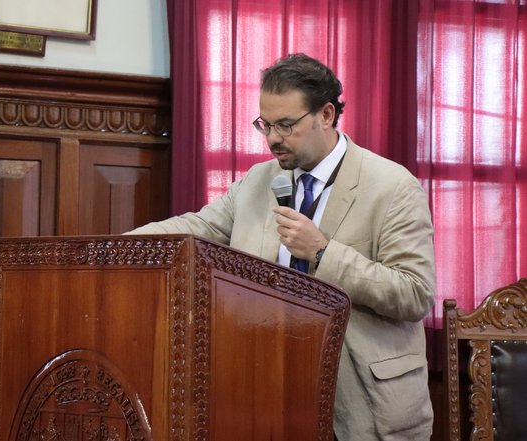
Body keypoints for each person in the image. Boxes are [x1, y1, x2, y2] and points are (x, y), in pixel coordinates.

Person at [129, 53, 435, 441]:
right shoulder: (260, 180)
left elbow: (414, 293)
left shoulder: (392, 187)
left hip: (361, 405)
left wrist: (324, 253)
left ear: (326, 114)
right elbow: (199, 226)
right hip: (267, 394)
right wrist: (123, 245)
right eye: (265, 124)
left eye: (286, 125)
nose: (273, 138)